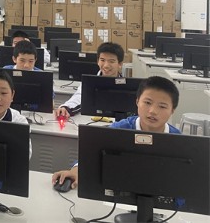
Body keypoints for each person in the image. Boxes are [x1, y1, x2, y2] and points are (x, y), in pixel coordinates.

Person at [52, 76, 180, 189]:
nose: (153, 111)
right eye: (147, 102)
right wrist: (76, 171)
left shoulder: (178, 141)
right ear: (137, 102)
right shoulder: (118, 129)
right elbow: (91, 155)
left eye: (162, 106)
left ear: (172, 110)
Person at [54, 42, 124, 117]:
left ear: (120, 64)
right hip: (93, 120)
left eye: (111, 61)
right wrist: (66, 107)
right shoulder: (89, 81)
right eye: (102, 60)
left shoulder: (126, 85)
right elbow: (79, 97)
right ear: (97, 61)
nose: (106, 65)